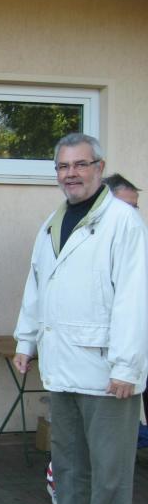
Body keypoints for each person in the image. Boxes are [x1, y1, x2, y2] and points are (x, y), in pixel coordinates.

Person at [13, 134, 147, 504]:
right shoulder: (53, 222)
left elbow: (134, 298)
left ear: (99, 168)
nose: (71, 173)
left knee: (110, 477)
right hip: (62, 366)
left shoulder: (123, 222)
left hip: (108, 373)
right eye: (63, 166)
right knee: (69, 467)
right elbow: (37, 285)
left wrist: (127, 366)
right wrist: (25, 341)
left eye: (80, 164)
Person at [102, 174, 148, 426]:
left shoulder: (137, 234)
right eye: (125, 205)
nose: (131, 213)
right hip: (113, 352)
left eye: (135, 206)